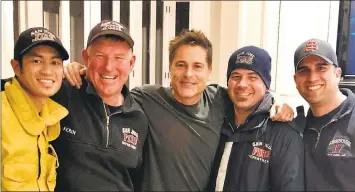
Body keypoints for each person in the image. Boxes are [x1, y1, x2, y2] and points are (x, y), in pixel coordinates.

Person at [64, 29, 294, 191]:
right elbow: (111, 87)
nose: (188, 74)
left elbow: (248, 94)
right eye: (181, 65)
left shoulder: (220, 100)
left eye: (197, 66)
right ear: (170, 68)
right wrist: (81, 71)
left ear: (209, 70)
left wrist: (277, 104)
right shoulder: (146, 98)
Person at [50, 20, 149, 191]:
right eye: (100, 56)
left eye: (119, 58)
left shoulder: (139, 118)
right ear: (86, 58)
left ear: (131, 63)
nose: (109, 67)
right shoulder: (62, 92)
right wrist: (55, 71)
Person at [207, 46, 304, 191]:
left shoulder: (284, 134)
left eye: (253, 77)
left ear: (266, 85)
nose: (242, 84)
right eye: (235, 76)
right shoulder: (215, 120)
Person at [1, 27, 69, 191]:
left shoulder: (50, 118)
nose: (47, 71)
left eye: (55, 63)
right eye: (36, 61)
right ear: (16, 67)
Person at [293, 38, 355, 191]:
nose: (312, 77)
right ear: (295, 80)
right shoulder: (297, 127)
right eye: (304, 70)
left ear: (337, 74)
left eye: (321, 68)